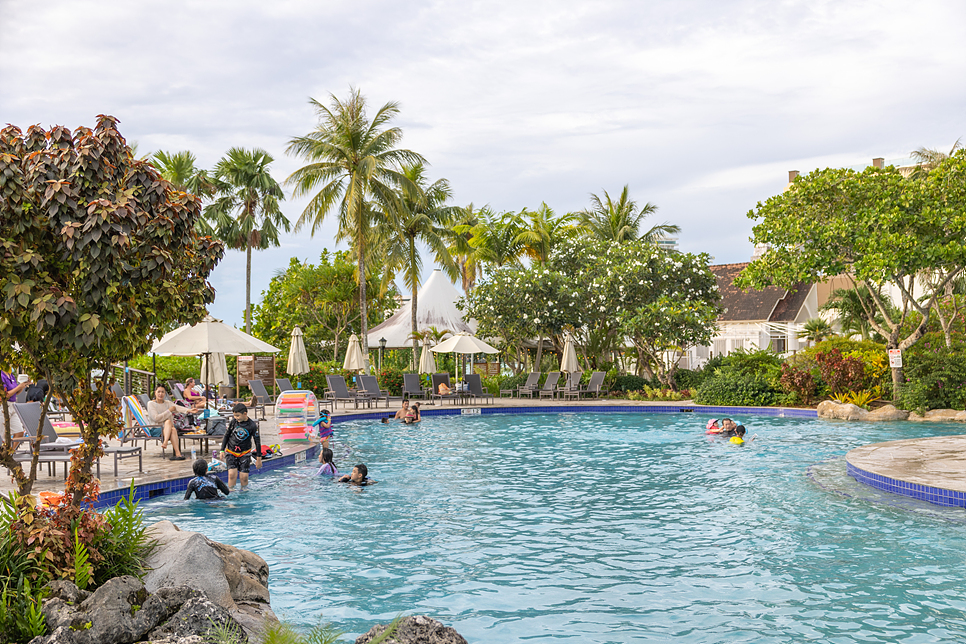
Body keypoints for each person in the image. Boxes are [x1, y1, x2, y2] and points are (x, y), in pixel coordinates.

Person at [220, 402, 262, 489]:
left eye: (238, 416)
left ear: (245, 414)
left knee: (244, 477)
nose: (236, 418)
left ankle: (244, 495)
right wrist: (222, 450)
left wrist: (259, 459)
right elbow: (226, 435)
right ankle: (231, 493)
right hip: (231, 451)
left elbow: (257, 441)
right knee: (231, 475)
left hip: (244, 453)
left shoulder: (252, 425)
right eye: (234, 415)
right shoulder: (233, 422)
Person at [145, 385, 189, 461]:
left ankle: (165, 443)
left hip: (167, 428)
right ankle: (177, 453)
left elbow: (177, 407)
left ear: (165, 394)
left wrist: (190, 410)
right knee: (172, 428)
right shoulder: (150, 404)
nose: (160, 394)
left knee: (169, 424)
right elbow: (156, 418)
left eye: (163, 392)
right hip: (156, 428)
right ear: (155, 393)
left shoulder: (168, 403)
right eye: (159, 392)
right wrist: (169, 411)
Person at [1, 370, 29, 437]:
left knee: (19, 432)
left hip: (13, 405)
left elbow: (16, 392)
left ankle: (12, 448)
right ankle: (5, 447)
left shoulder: (11, 375)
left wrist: (22, 386)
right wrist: (19, 387)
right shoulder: (1, 375)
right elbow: (5, 395)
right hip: (3, 405)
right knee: (2, 434)